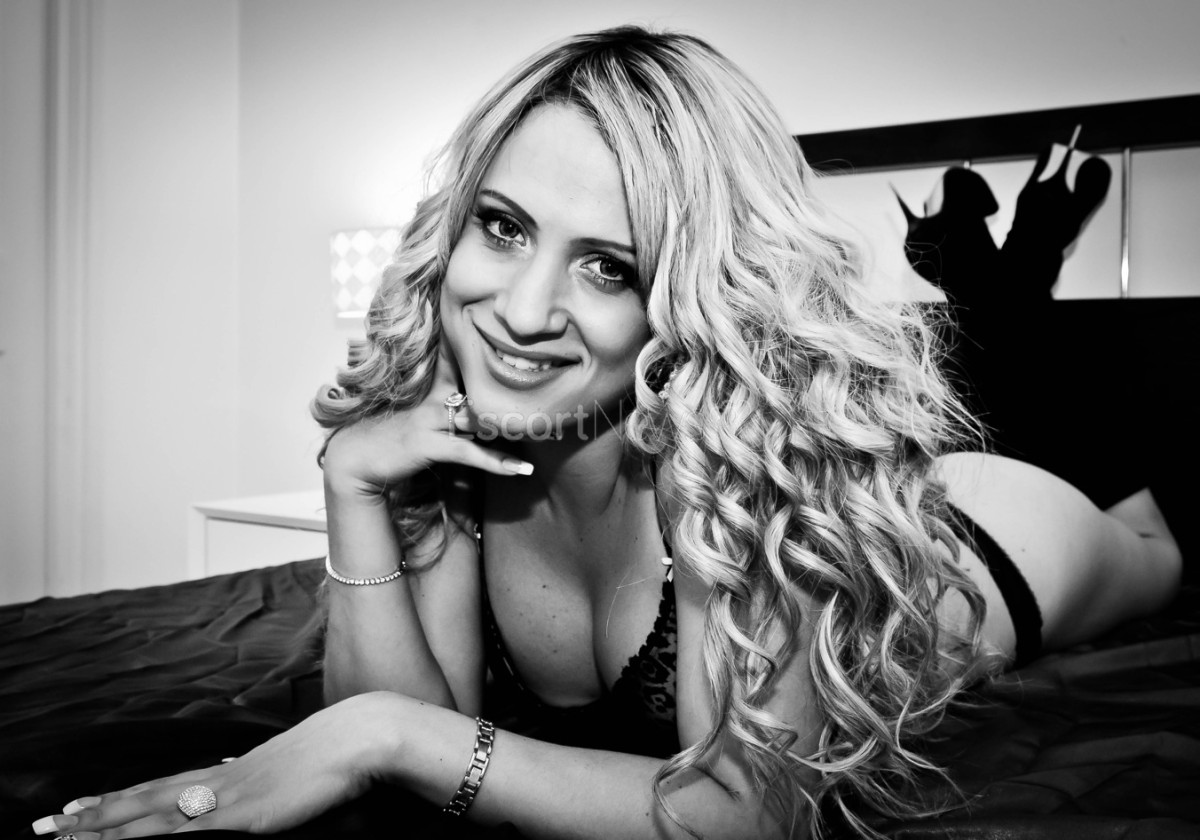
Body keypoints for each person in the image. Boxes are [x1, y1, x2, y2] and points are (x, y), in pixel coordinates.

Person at [35, 25, 1180, 840]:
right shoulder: (456, 456)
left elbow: (742, 815)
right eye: (502, 227)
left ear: (688, 297)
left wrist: (383, 737)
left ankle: (1018, 293)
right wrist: (352, 489)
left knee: (1154, 544)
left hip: (994, 544)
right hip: (912, 501)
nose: (523, 311)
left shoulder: (732, 470)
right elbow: (410, 721)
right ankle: (1005, 281)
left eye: (608, 266)